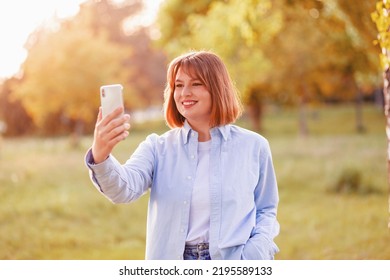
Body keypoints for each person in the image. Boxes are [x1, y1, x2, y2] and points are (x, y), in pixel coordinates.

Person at [85, 50, 280, 260]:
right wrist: (100, 154)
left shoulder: (254, 146)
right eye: (178, 85)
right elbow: (123, 190)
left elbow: (266, 208)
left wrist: (256, 252)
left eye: (196, 84)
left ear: (217, 88)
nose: (184, 93)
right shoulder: (157, 147)